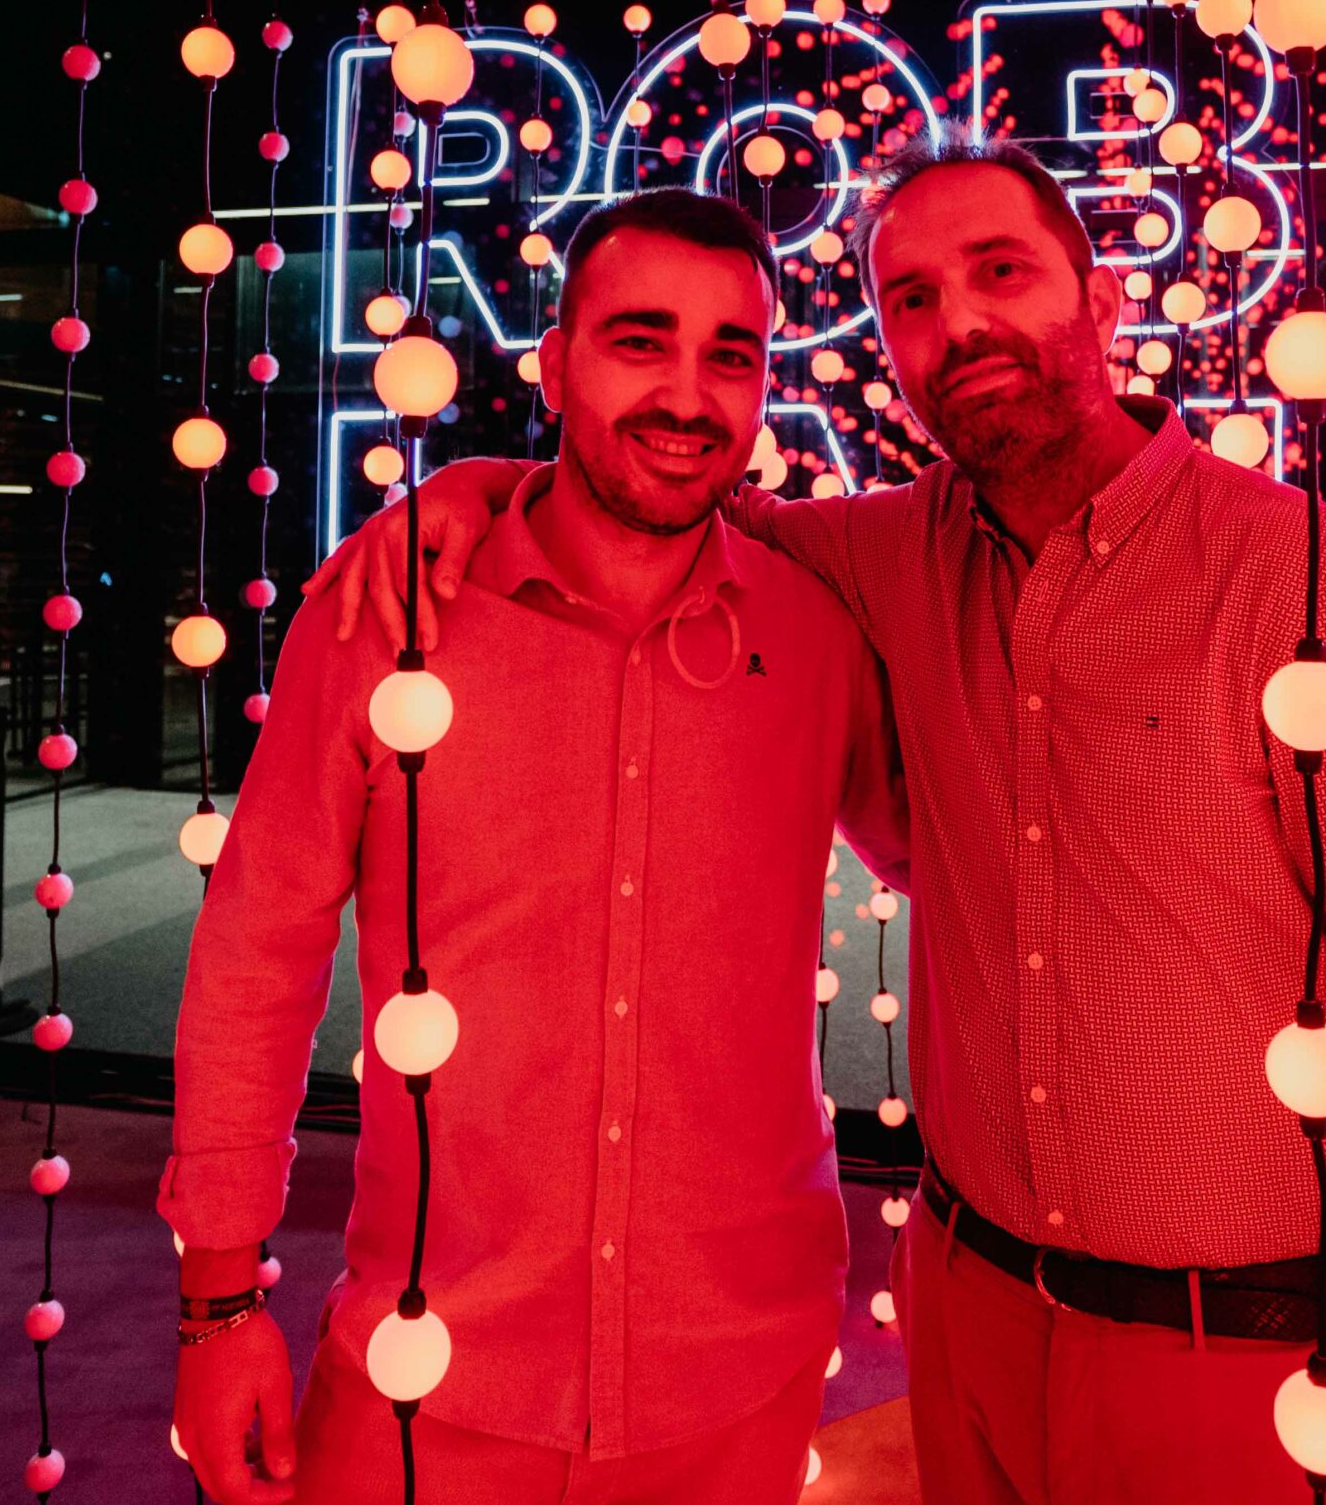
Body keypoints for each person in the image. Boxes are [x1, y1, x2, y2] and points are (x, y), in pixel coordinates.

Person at [312, 139, 1326, 1505]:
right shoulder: (885, 558)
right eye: (912, 299)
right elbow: (666, 495)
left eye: (1001, 273)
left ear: (1102, 300)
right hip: (972, 1331)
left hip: (1254, 1362)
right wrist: (480, 488)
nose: (959, 324)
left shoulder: (1317, 593)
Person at [162, 187, 907, 1505]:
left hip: (740, 1376)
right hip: (430, 1368)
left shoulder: (818, 639)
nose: (687, 397)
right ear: (554, 366)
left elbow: (964, 863)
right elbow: (256, 953)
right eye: (640, 342)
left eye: (730, 355)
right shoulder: (389, 623)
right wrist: (220, 1306)